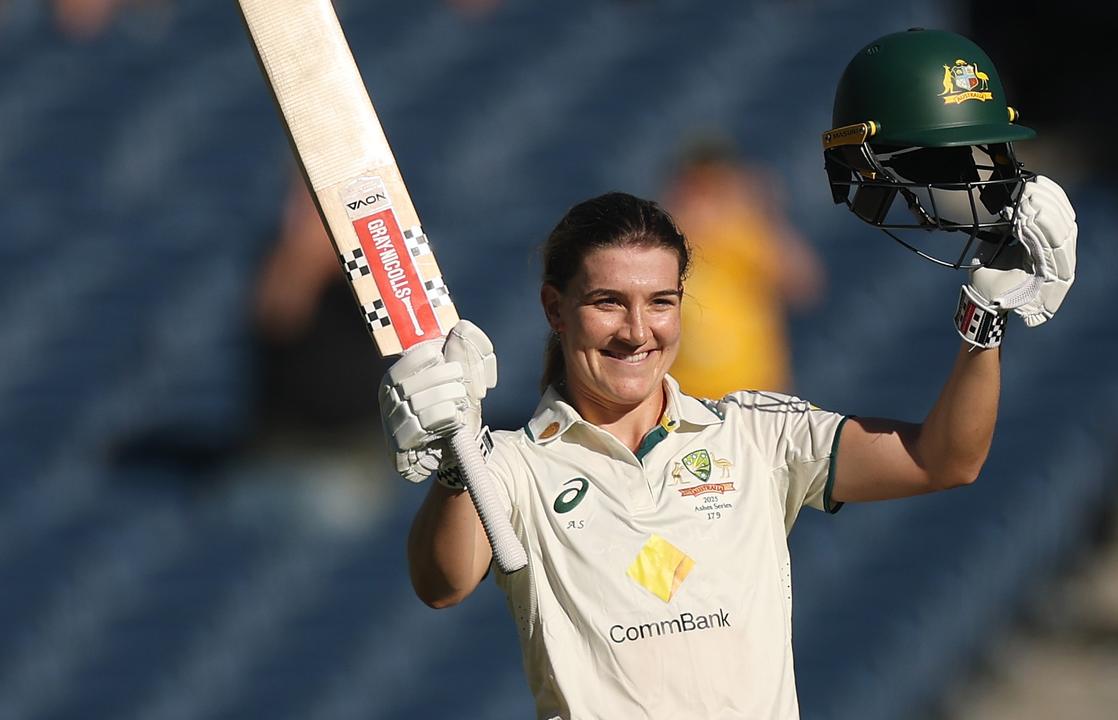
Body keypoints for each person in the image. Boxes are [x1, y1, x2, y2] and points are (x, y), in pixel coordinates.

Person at [379, 28, 1078, 719]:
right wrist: (453, 460)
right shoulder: (509, 464)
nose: (636, 330)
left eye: (661, 302)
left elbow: (945, 460)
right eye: (607, 303)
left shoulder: (756, 434)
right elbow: (442, 584)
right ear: (555, 310)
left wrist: (986, 320)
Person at [662, 133, 824, 398]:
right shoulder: (663, 240)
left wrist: (764, 216)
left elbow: (804, 286)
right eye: (696, 187)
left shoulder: (748, 235)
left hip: (753, 396)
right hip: (684, 397)